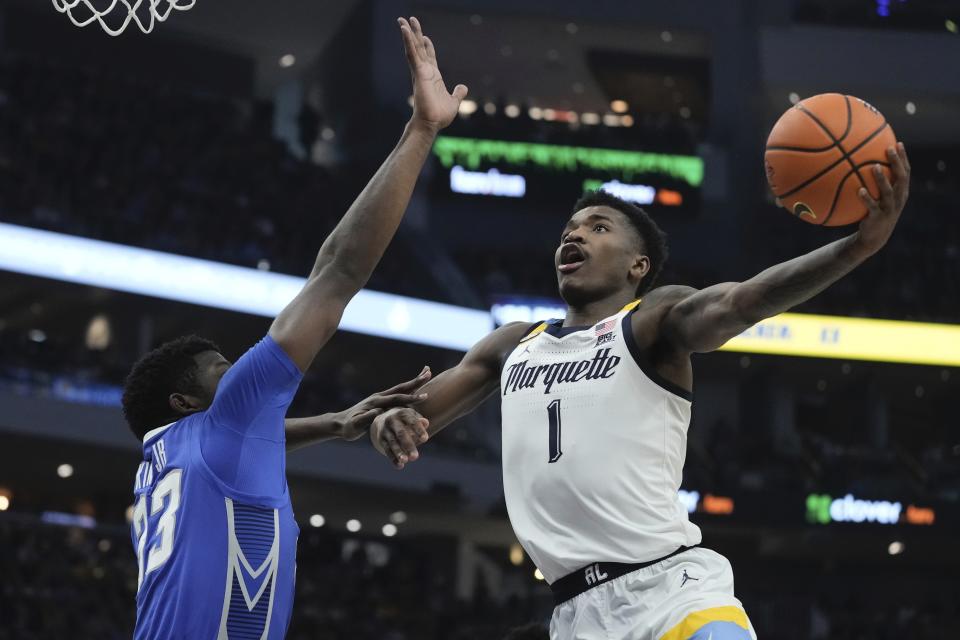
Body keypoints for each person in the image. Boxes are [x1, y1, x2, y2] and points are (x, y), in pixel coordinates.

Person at [371, 147, 911, 639]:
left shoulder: (650, 322)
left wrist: (855, 249)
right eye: (569, 230)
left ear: (638, 266)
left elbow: (744, 302)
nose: (574, 237)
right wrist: (387, 423)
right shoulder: (512, 346)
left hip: (672, 592)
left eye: (598, 227)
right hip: (576, 614)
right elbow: (409, 417)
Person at [120, 17, 461, 639]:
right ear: (186, 402)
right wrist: (422, 128)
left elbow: (248, 437)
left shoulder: (161, 461)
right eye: (225, 370)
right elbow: (338, 270)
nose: (243, 371)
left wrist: (334, 423)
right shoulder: (222, 425)